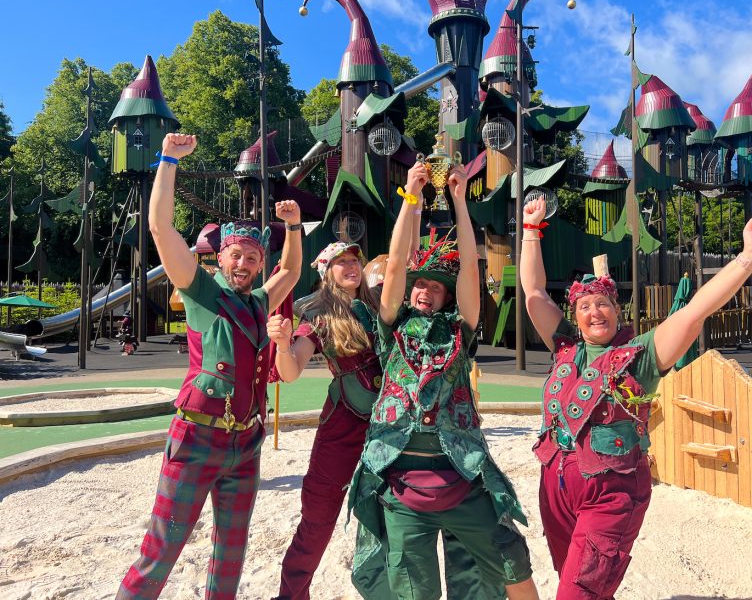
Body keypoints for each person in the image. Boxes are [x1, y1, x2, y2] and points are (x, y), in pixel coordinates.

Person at [519, 198, 752, 600]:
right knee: (575, 581)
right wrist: (531, 231)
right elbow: (534, 290)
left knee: (578, 593)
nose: (594, 312)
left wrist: (749, 257)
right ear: (575, 316)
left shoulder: (640, 356)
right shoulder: (565, 348)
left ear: (617, 311)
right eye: (585, 306)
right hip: (555, 488)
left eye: (603, 303)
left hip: (611, 491)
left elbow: (695, 311)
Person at [117, 132, 303, 600]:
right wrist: (167, 160)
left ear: (260, 265)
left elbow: (293, 273)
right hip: (198, 435)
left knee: (231, 555)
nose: (243, 263)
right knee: (162, 547)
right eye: (235, 255)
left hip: (246, 442)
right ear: (220, 258)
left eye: (252, 257)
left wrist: (295, 229)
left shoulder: (260, 302)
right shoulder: (201, 291)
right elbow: (161, 228)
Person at [348, 161, 540, 600]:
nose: (424, 291)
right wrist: (412, 195)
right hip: (401, 480)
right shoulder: (391, 329)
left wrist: (458, 198)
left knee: (511, 560)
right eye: (420, 286)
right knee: (411, 589)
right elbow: (396, 265)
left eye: (436, 288)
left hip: (462, 474)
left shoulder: (460, 331)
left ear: (447, 297)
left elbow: (471, 272)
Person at [266, 241, 383, 599]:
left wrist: (414, 198)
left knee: (392, 516)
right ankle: (292, 595)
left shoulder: (379, 301)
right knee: (318, 513)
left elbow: (402, 254)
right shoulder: (318, 314)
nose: (350, 266)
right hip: (344, 420)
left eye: (354, 260)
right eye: (340, 262)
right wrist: (284, 346)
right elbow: (290, 371)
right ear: (326, 272)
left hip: (388, 420)